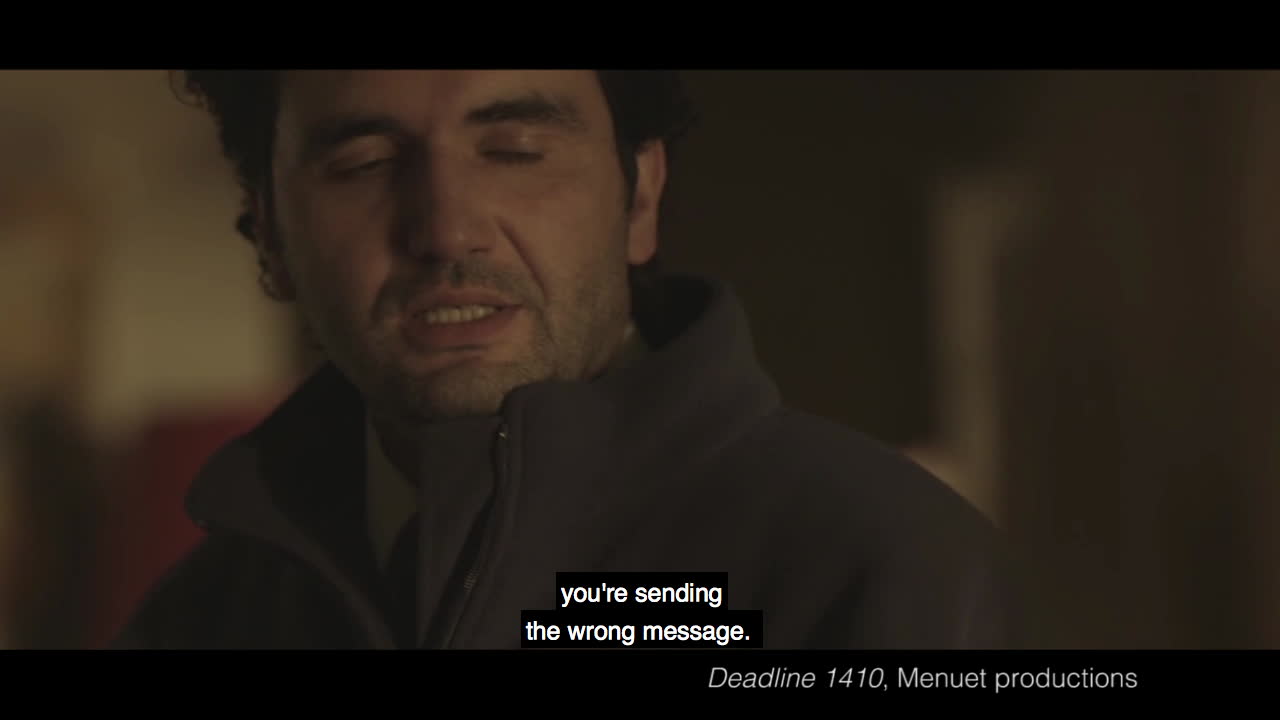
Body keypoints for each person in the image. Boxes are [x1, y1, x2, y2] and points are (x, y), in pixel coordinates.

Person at [113, 70, 1010, 650]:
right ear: (270, 233)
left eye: (515, 151)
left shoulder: (874, 567)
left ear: (641, 195)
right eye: (365, 162)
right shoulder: (198, 624)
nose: (446, 228)